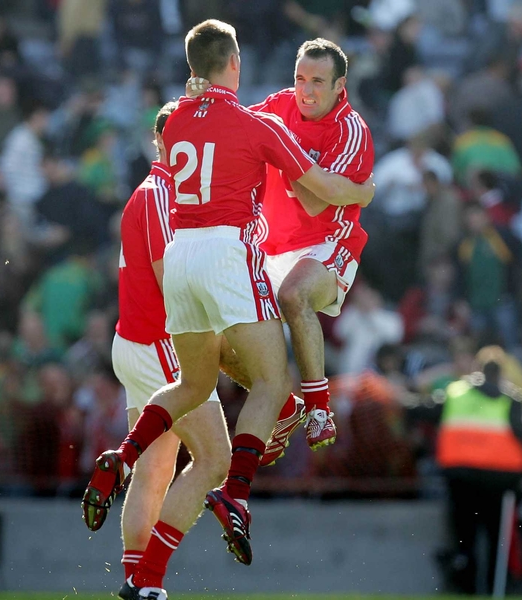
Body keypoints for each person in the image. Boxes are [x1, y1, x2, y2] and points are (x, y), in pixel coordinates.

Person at [82, 17, 372, 583]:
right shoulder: (252, 122)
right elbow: (318, 189)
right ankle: (238, 492)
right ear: (234, 64)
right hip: (226, 254)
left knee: (194, 384)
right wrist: (364, 191)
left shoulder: (180, 121)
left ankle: (123, 455)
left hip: (184, 257)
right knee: (270, 382)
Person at [108, 102, 231, 600]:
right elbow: (170, 280)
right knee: (216, 459)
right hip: (161, 345)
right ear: (163, 140)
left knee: (155, 468)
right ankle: (152, 578)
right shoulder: (162, 194)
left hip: (137, 341)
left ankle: (136, 583)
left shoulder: (163, 192)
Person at [242, 38, 375, 462]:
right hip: (269, 245)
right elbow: (237, 130)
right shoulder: (278, 105)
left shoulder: (351, 129)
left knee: (294, 295)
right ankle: (285, 403)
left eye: (318, 81)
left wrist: (278, 144)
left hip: (327, 246)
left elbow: (315, 200)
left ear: (340, 85)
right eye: (300, 78)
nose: (306, 90)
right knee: (224, 323)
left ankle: (319, 409)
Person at [436, 356, 522, 594]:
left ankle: (465, 588)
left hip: (461, 478)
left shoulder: (456, 392)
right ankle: (496, 589)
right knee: (498, 538)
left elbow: (427, 410)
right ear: (501, 374)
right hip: (499, 481)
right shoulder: (510, 398)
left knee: (465, 539)